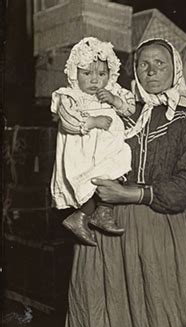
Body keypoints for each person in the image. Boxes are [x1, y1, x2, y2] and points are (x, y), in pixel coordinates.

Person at [63, 38, 186, 327]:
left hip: (159, 229)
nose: (151, 71)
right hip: (106, 229)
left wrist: (131, 193)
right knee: (103, 318)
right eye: (144, 64)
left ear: (175, 70)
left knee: (162, 320)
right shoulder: (119, 114)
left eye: (160, 64)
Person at [50, 37, 136, 246]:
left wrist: (115, 101)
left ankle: (103, 212)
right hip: (83, 149)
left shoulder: (113, 91)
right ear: (74, 73)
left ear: (111, 74)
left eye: (101, 74)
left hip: (109, 147)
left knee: (118, 168)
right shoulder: (70, 96)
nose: (95, 80)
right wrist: (92, 121)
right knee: (89, 180)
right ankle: (81, 215)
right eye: (87, 74)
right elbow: (68, 121)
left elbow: (131, 108)